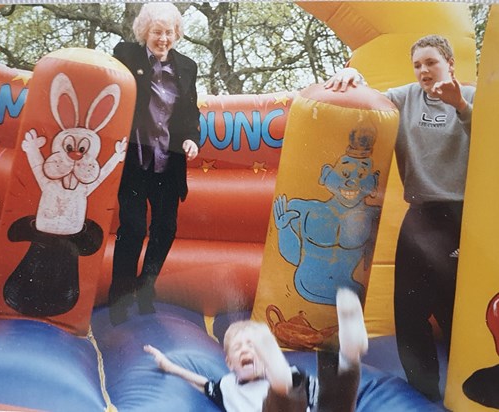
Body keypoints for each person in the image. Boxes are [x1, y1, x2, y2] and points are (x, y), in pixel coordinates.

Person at [324, 34, 475, 401]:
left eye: (431, 63)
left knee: (455, 310)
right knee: (408, 310)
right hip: (421, 214)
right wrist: (355, 77)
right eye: (418, 65)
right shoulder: (404, 98)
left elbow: (490, 141)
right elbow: (370, 103)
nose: (424, 70)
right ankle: (422, 396)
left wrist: (461, 108)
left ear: (450, 64)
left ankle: (466, 395)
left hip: (461, 218)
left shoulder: (472, 96)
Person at [109, 3, 200, 323]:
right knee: (132, 228)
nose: (163, 38)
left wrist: (192, 138)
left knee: (165, 229)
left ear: (177, 34)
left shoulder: (187, 66)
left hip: (169, 162)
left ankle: (145, 288)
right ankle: (119, 298)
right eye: (157, 32)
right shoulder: (127, 55)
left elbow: (192, 112)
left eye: (169, 32)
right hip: (135, 162)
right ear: (144, 32)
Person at [145, 288, 368, 412]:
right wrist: (170, 366)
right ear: (229, 364)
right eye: (238, 348)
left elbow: (325, 399)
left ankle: (350, 353)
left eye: (252, 346)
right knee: (283, 395)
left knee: (336, 404)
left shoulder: (296, 378)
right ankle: (347, 359)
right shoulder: (226, 387)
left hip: (292, 391)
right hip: (283, 392)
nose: (245, 351)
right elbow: (202, 384)